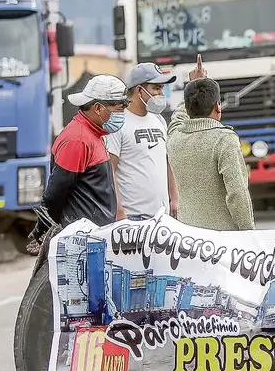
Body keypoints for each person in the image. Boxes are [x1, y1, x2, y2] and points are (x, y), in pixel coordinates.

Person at [30, 75, 128, 241]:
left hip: (96, 235)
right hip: (81, 240)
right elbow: (54, 194)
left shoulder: (95, 134)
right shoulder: (77, 140)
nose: (122, 115)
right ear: (98, 108)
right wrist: (42, 233)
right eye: (119, 110)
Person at [166, 75, 254, 231]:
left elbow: (177, 118)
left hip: (187, 237)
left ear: (187, 107)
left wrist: (194, 83)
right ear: (218, 106)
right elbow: (237, 193)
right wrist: (249, 233)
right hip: (221, 241)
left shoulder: (174, 137)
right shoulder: (224, 139)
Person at [105, 63, 180, 220]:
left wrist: (175, 198)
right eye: (156, 88)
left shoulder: (158, 120)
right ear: (139, 90)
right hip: (133, 218)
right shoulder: (118, 123)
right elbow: (109, 170)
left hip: (163, 217)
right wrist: (119, 212)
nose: (161, 93)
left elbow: (168, 161)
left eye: (161, 88)